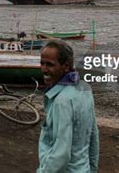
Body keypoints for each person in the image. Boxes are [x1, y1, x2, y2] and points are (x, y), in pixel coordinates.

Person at [37, 40, 99, 173]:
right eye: (42, 63)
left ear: (65, 66)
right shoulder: (84, 88)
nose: (43, 69)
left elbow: (61, 154)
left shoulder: (62, 101)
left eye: (49, 65)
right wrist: (93, 168)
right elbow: (93, 134)